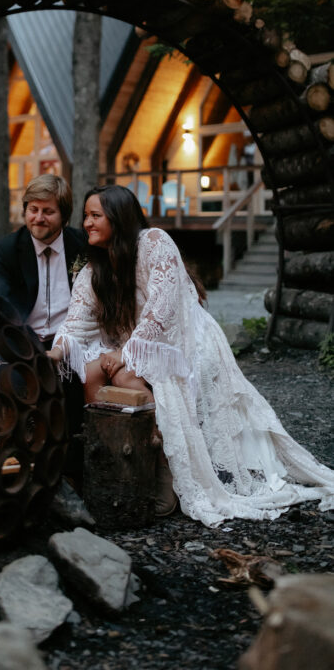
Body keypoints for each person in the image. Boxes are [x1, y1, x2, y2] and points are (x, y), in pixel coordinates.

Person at [48, 185, 334, 525]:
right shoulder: (94, 268)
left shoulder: (153, 242)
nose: (88, 223)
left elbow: (164, 308)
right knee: (92, 371)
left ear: (118, 218)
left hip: (183, 342)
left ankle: (163, 469)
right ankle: (116, 470)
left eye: (96, 215)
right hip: (141, 345)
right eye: (86, 216)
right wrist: (53, 353)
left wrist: (127, 352)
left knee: (124, 377)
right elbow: (77, 323)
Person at [0, 174, 88, 480]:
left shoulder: (82, 245)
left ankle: (67, 472)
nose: (38, 217)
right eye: (32, 209)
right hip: (23, 340)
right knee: (0, 382)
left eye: (47, 211)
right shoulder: (7, 249)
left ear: (63, 215)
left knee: (70, 399)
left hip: (71, 340)